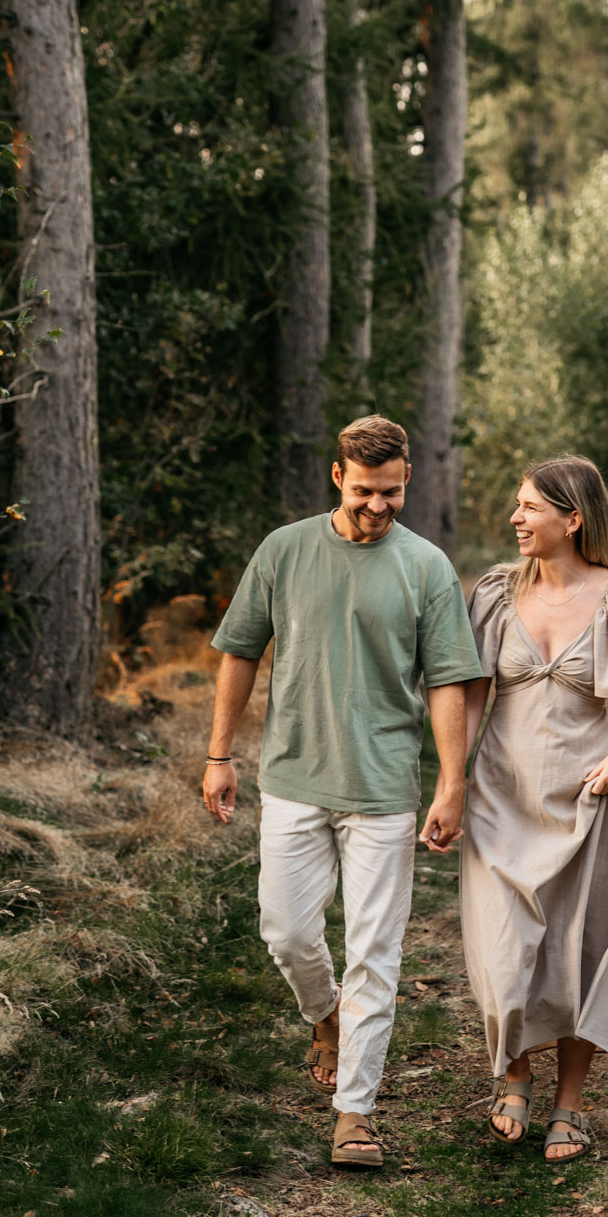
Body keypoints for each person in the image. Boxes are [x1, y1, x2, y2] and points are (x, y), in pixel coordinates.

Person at [202, 415, 481, 1168]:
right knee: (286, 933)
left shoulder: (425, 567)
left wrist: (450, 784)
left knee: (375, 952)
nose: (378, 506)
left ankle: (354, 1113)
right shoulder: (284, 549)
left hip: (385, 788)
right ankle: (325, 1017)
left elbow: (451, 682)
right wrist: (219, 754)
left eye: (391, 491)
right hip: (293, 777)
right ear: (337, 477)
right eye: (364, 491)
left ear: (407, 479)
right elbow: (238, 652)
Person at [456, 456, 608, 1164]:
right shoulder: (496, 593)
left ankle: (570, 1104)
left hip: (589, 799)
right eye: (516, 504)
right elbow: (473, 694)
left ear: (573, 518)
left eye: (530, 507)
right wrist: (453, 782)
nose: (515, 518)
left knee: (581, 956)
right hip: (501, 797)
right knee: (499, 951)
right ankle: (511, 1072)